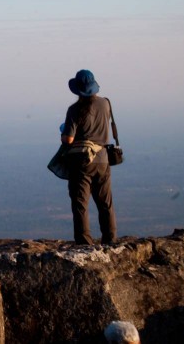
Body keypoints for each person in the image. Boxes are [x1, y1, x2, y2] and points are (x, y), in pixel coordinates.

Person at [61, 69, 117, 245]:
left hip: (81, 161)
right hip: (102, 158)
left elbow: (68, 139)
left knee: (80, 204)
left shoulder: (74, 109)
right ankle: (110, 239)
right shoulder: (106, 104)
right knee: (105, 202)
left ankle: (84, 242)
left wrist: (64, 131)